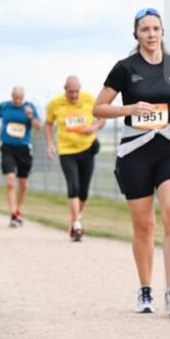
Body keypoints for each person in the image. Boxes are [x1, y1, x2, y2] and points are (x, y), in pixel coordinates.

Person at [93, 7, 170, 316]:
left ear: (163, 32)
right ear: (136, 34)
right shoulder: (125, 68)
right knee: (144, 225)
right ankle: (145, 290)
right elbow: (99, 108)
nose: (151, 34)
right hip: (135, 151)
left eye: (156, 29)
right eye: (145, 29)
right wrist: (130, 109)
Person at [45, 75, 104, 241]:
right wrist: (50, 143)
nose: (75, 95)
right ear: (65, 89)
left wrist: (94, 127)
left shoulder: (89, 99)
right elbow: (48, 124)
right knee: (73, 186)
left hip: (87, 148)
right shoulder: (55, 104)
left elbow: (102, 118)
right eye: (71, 92)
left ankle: (74, 218)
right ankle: (77, 225)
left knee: (84, 192)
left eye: (77, 91)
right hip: (66, 150)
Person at [0, 86, 42, 227]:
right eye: (15, 97)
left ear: (23, 97)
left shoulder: (29, 107)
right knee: (10, 181)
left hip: (24, 148)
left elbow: (38, 126)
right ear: (11, 96)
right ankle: (13, 213)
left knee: (23, 184)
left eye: (20, 98)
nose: (18, 100)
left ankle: (18, 210)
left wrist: (31, 116)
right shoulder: (4, 106)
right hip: (7, 147)